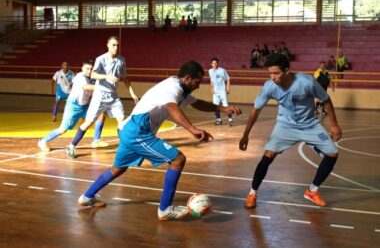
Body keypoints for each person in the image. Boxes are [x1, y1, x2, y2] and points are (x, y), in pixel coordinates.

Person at [77, 61, 241, 221]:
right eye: (197, 82)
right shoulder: (172, 87)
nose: (198, 86)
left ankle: (86, 197)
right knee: (178, 159)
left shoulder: (181, 90)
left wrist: (223, 108)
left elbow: (198, 103)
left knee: (117, 169)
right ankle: (165, 209)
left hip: (130, 130)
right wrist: (192, 129)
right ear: (187, 78)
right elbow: (172, 107)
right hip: (137, 131)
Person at [239, 54, 342, 208]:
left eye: (276, 73)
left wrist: (334, 125)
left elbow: (326, 100)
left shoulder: (306, 82)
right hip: (285, 125)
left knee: (332, 153)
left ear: (287, 71)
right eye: (270, 73)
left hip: (310, 124)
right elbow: (256, 110)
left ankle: (312, 191)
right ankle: (252, 193)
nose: (273, 77)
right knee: (268, 156)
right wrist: (245, 135)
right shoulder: (270, 86)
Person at [66, 36, 139, 158]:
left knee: (122, 122)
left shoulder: (121, 60)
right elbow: (93, 74)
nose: (116, 47)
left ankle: (126, 149)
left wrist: (132, 93)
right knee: (88, 122)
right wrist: (106, 76)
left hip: (113, 97)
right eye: (113, 45)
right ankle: (72, 146)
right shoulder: (101, 59)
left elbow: (125, 78)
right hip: (100, 96)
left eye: (117, 45)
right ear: (108, 45)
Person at [38, 60, 96, 151]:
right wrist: (103, 88)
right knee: (63, 130)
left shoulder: (93, 78)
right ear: (82, 68)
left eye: (91, 69)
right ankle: (42, 141)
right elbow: (86, 87)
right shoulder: (80, 76)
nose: (89, 71)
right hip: (73, 106)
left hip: (84, 106)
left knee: (96, 118)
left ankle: (95, 140)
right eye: (87, 68)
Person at [209, 57, 234, 126]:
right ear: (211, 64)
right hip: (215, 92)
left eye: (216, 63)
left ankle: (230, 120)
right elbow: (211, 79)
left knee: (225, 106)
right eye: (213, 63)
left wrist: (228, 88)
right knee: (215, 106)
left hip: (222, 91)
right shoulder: (210, 71)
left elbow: (228, 78)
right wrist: (212, 88)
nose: (215, 64)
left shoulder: (222, 70)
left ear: (218, 63)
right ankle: (219, 120)